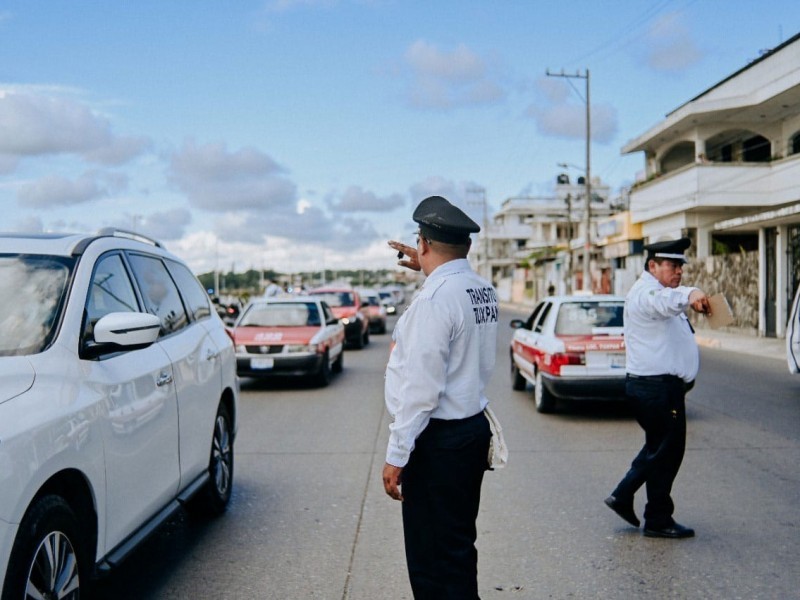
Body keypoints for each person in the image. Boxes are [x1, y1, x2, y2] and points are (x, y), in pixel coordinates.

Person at [382, 195, 499, 599]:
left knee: (431, 561)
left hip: (438, 443)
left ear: (425, 245)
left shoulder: (435, 301)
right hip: (468, 434)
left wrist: (397, 455)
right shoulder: (480, 288)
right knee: (457, 548)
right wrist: (430, 269)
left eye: (420, 243)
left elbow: (421, 389)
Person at [605, 237, 710, 539]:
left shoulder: (661, 292)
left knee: (660, 448)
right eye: (672, 265)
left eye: (681, 266)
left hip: (661, 388)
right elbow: (665, 301)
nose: (678, 271)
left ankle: (639, 506)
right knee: (667, 452)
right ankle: (652, 514)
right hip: (655, 389)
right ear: (652, 266)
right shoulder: (648, 293)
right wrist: (690, 293)